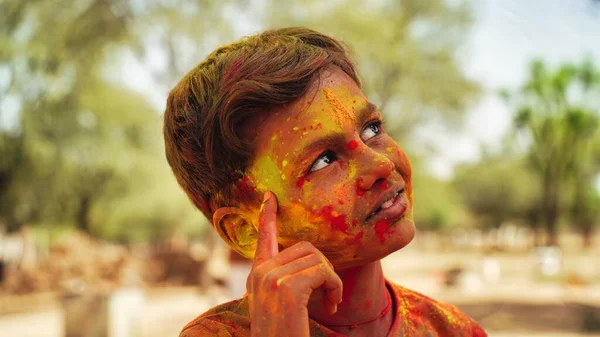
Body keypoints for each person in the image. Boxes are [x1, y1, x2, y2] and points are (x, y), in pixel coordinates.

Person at [163, 27, 487, 337]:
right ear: (245, 228)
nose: (382, 163)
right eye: (324, 160)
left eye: (372, 129)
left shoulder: (454, 330)